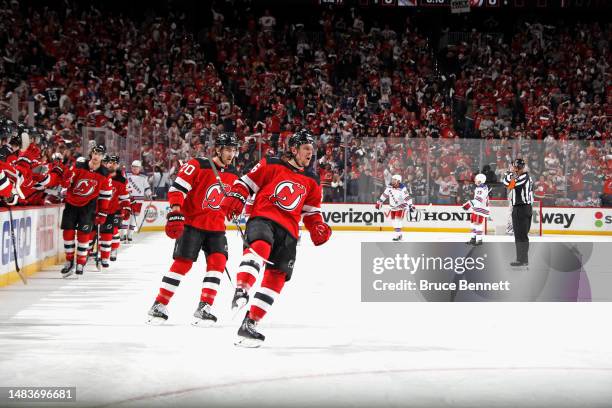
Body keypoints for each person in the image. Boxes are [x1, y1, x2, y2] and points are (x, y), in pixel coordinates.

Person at [220, 129, 332, 347]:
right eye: (306, 149)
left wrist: (318, 225)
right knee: (260, 247)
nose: (310, 153)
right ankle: (242, 289)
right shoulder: (271, 163)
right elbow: (246, 182)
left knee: (278, 276)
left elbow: (311, 210)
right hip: (263, 218)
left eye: (312, 149)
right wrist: (236, 196)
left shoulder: (313, 179)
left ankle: (249, 324)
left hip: (289, 231)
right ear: (293, 149)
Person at [147, 133, 239, 326]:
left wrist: (232, 207)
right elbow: (177, 189)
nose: (231, 154)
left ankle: (205, 306)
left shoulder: (233, 174)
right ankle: (159, 304)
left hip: (216, 226)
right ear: (218, 150)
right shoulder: (198, 164)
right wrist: (175, 211)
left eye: (233, 150)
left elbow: (229, 199)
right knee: (183, 264)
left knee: (218, 262)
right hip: (193, 224)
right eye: (227, 149)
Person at [59, 145, 113, 277]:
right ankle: (69, 260)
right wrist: (66, 180)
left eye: (99, 154)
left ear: (103, 157)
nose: (96, 156)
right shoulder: (79, 165)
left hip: (88, 207)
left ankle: (81, 262)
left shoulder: (105, 174)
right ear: (91, 153)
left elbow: (105, 195)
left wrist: (102, 212)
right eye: (95, 153)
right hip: (71, 204)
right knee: (68, 233)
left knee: (84, 235)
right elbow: (67, 182)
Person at [99, 155, 131, 267]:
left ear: (117, 165)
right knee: (99, 233)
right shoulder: (101, 174)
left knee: (114, 231)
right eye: (110, 162)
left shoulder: (122, 180)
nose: (111, 164)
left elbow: (125, 196)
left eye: (114, 163)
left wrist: (126, 207)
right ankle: (102, 251)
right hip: (100, 209)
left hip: (115, 210)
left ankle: (112, 250)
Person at [502, 158, 534, 267]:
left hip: (522, 208)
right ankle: (522, 259)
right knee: (519, 235)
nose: (516, 169)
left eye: (517, 168)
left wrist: (511, 173)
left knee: (521, 236)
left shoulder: (524, 177)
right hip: (520, 208)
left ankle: (522, 259)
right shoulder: (520, 176)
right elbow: (505, 183)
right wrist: (511, 173)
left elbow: (510, 185)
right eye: (515, 167)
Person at [375, 174, 415, 241]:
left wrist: (410, 205)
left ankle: (397, 236)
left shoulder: (402, 188)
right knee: (393, 222)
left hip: (401, 207)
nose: (392, 181)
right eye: (392, 179)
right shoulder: (390, 186)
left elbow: (407, 197)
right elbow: (385, 194)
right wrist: (380, 201)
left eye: (394, 180)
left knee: (397, 220)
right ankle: (399, 235)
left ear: (398, 181)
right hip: (392, 207)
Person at [124, 160, 152, 243]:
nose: (134, 168)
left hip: (138, 200)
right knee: (125, 217)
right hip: (127, 198)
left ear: (140, 168)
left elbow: (146, 187)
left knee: (134, 218)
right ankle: (123, 235)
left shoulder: (143, 177)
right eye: (133, 167)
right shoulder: (126, 175)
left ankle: (130, 235)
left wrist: (150, 195)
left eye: (136, 167)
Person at [462, 173, 490, 246]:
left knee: (477, 223)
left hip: (480, 209)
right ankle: (473, 238)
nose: (475, 181)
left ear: (480, 180)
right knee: (472, 222)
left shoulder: (481, 188)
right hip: (477, 208)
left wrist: (468, 205)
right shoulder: (480, 187)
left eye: (476, 179)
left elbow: (478, 200)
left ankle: (479, 239)